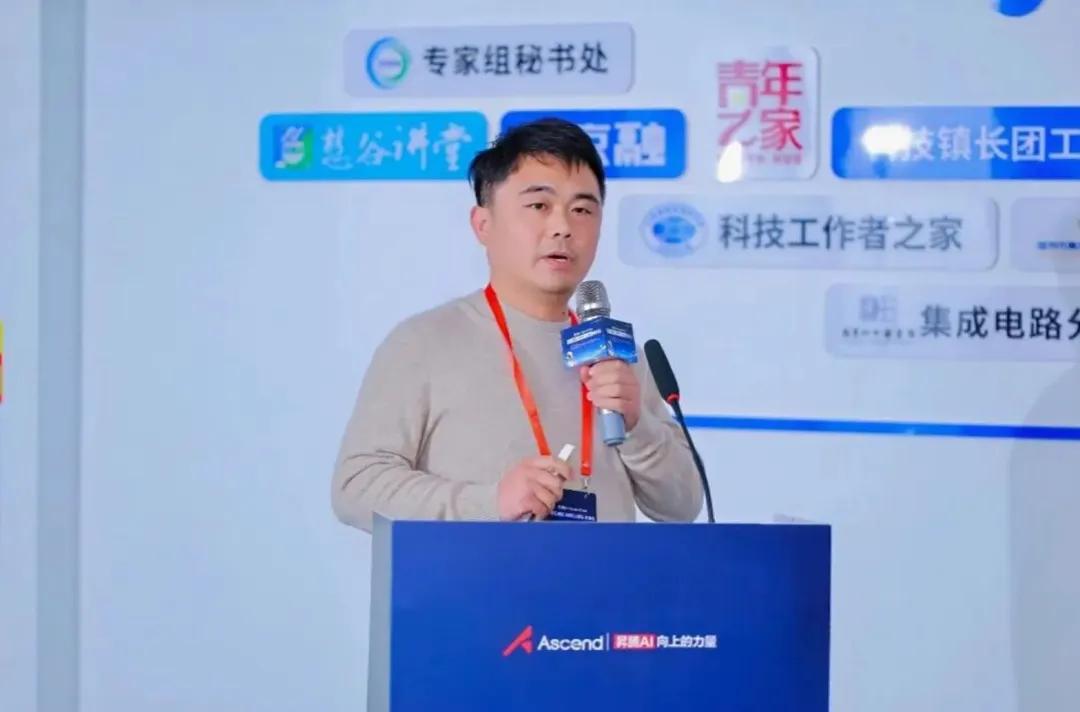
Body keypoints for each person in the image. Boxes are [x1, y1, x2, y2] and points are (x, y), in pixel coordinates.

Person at [331, 117, 703, 532]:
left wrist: (637, 425)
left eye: (582, 210)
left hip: (607, 577)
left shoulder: (615, 355)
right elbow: (356, 487)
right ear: (483, 224)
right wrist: (489, 502)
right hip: (480, 577)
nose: (563, 227)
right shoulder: (424, 342)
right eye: (539, 206)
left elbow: (682, 506)